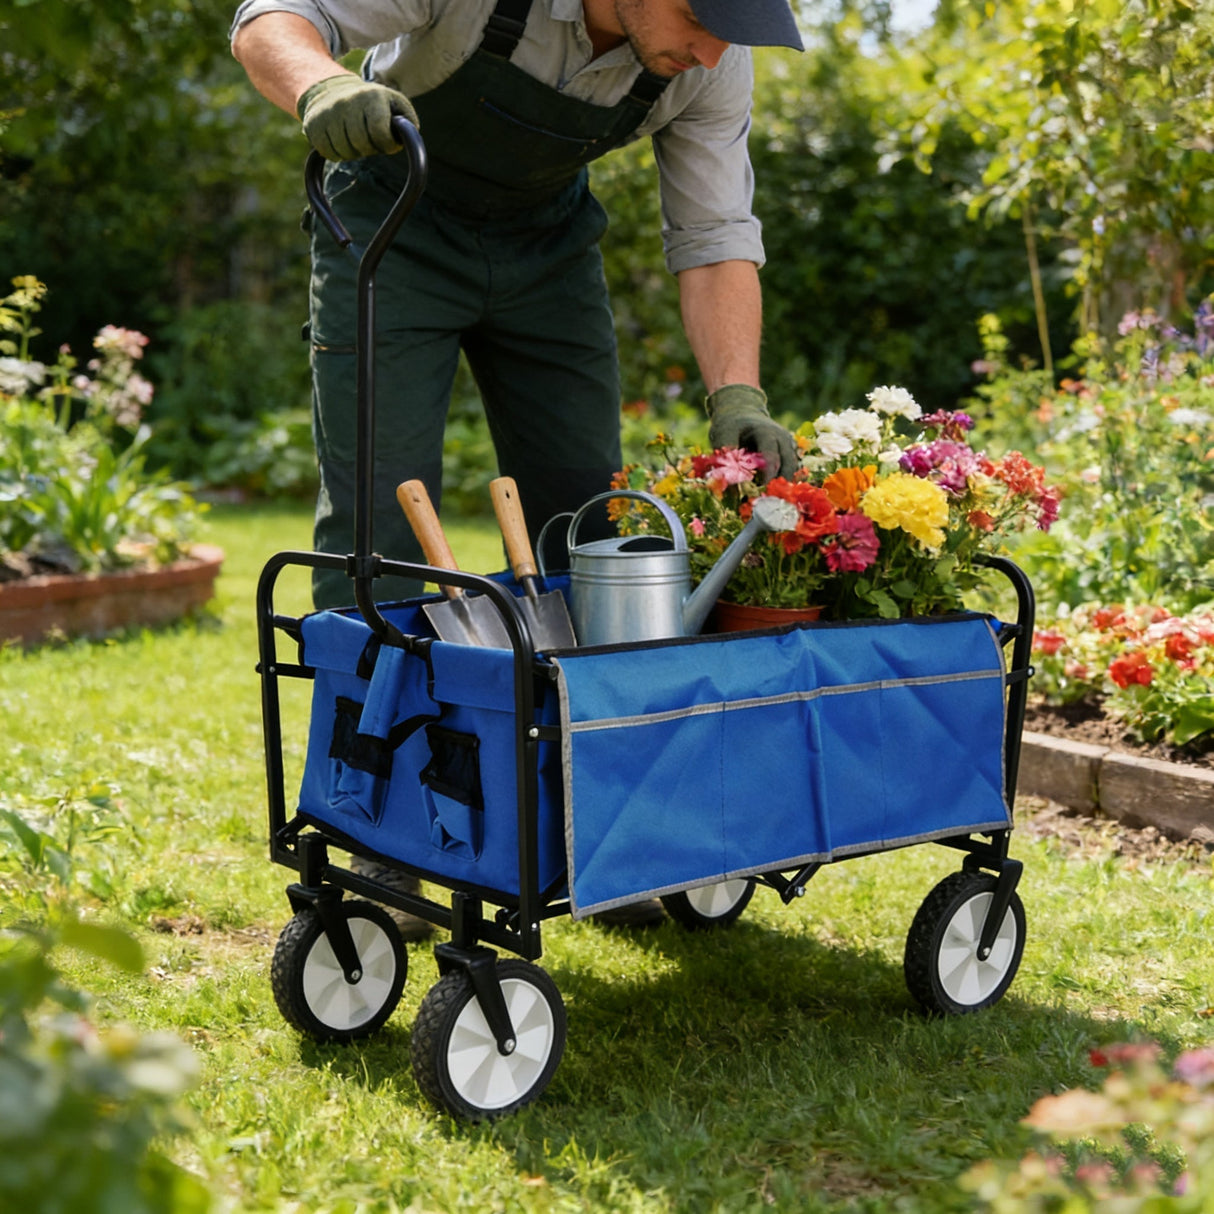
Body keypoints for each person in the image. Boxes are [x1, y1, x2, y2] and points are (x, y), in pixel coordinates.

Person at [231, 0, 803, 930]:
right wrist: (321, 83)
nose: (715, 45)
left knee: (595, 531)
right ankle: (383, 829)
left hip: (547, 250)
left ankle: (593, 821)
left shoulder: (709, 63)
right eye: (704, 17)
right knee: (374, 527)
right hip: (395, 222)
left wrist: (737, 394)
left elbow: (716, 236)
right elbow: (274, 18)